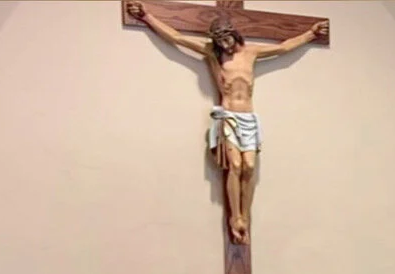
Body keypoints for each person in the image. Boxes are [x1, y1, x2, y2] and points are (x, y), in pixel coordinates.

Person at [125, 1, 328, 244]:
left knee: (249, 167)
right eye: (219, 42)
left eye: (227, 39)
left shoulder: (251, 53)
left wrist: (310, 34)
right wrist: (147, 16)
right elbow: (178, 38)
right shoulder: (214, 55)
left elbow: (283, 47)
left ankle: (245, 216)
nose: (225, 45)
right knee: (235, 165)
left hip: (248, 118)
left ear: (234, 34)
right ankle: (235, 218)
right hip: (229, 117)